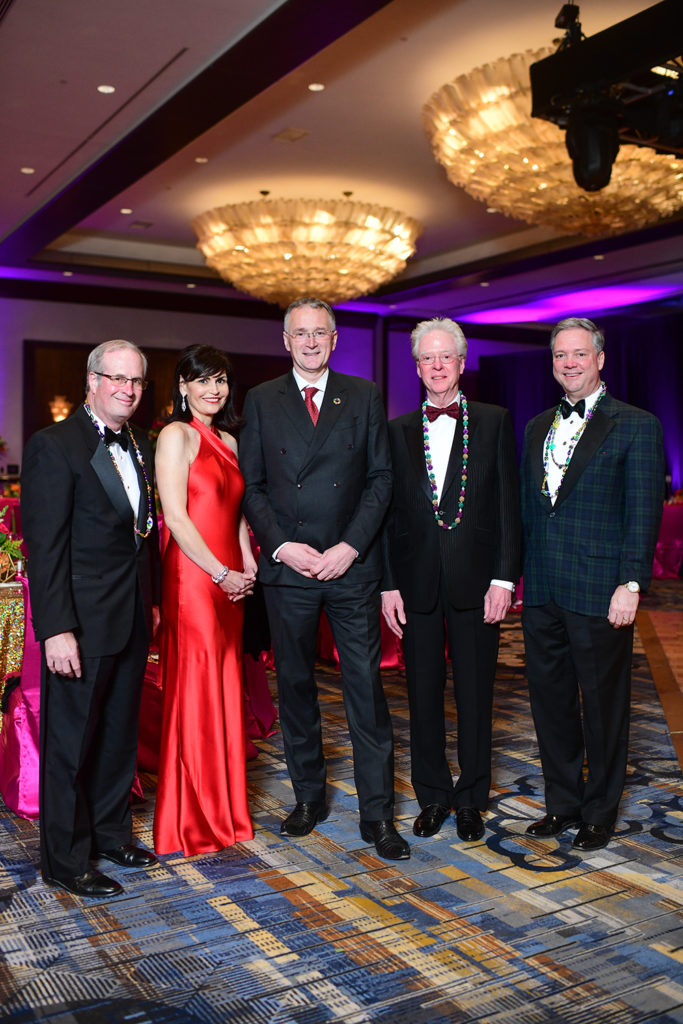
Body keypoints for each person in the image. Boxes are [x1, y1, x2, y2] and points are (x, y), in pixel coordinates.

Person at [240, 297, 408, 860]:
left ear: (335, 340)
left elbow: (381, 480)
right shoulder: (261, 399)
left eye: (321, 333)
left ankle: (378, 814)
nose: (311, 342)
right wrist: (285, 547)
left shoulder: (362, 395)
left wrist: (348, 547)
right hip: (290, 570)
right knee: (296, 690)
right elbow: (253, 486)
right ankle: (309, 798)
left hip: (348, 568)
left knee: (365, 691)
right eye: (300, 334)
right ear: (285, 342)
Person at [21, 340, 160, 899]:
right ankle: (64, 858)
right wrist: (56, 629)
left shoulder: (141, 445)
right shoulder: (54, 445)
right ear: (92, 380)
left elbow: (138, 539)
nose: (127, 389)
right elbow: (45, 547)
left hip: (128, 618)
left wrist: (148, 602)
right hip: (77, 624)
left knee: (116, 738)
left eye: (136, 381)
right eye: (117, 378)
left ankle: (109, 834)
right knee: (69, 744)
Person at [520, 317, 665, 852]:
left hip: (602, 589)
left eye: (580, 354)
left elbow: (643, 511)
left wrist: (631, 582)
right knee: (550, 704)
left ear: (600, 359)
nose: (570, 363)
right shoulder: (537, 426)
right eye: (561, 355)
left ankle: (600, 812)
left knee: (604, 706)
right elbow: (530, 511)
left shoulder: (636, 424)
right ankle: (562, 804)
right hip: (541, 589)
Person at [382, 318, 521, 843]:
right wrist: (388, 584)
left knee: (476, 695)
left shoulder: (494, 420)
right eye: (427, 359)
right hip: (414, 586)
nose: (437, 367)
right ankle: (433, 795)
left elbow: (509, 505)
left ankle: (471, 798)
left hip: (477, 583)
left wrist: (504, 579)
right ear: (416, 367)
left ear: (461, 364)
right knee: (420, 696)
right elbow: (387, 515)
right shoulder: (395, 430)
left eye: (446, 358)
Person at [153, 345, 257, 857]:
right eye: (201, 381)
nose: (212, 390)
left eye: (220, 381)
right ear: (182, 387)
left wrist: (246, 561)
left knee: (223, 682)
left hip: (229, 579)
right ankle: (190, 817)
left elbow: (234, 512)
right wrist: (219, 571)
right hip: (194, 580)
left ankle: (226, 811)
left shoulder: (230, 441)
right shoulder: (175, 435)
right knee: (195, 687)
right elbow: (175, 516)